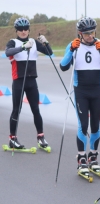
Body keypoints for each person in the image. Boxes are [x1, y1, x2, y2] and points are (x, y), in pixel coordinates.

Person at [60, 17, 100, 176]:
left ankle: (93, 156)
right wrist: (70, 49)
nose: (90, 36)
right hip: (81, 92)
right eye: (86, 33)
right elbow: (63, 66)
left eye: (92, 32)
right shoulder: (74, 46)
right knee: (83, 125)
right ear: (80, 33)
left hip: (97, 91)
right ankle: (81, 158)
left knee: (96, 126)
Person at [5, 17, 53, 150]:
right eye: (20, 29)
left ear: (29, 30)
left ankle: (41, 137)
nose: (23, 31)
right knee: (16, 110)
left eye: (25, 29)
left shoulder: (34, 42)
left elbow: (50, 53)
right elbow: (7, 52)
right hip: (19, 81)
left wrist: (45, 43)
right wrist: (22, 47)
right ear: (16, 31)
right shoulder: (13, 42)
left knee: (36, 110)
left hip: (32, 81)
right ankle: (12, 139)